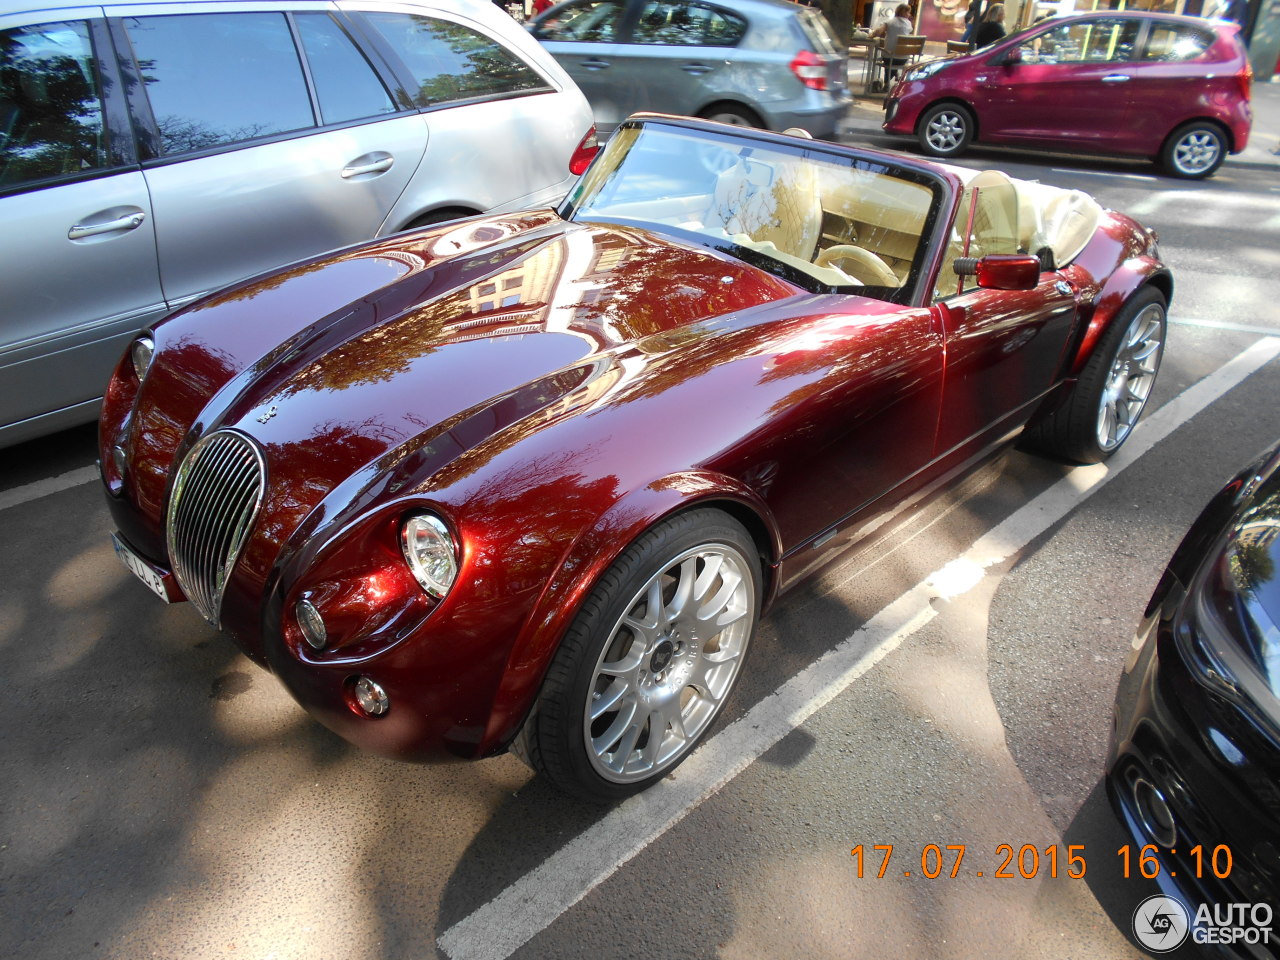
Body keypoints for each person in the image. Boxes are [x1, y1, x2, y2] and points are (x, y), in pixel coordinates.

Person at [870, 4, 914, 89]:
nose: (909, 14)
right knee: (895, 59)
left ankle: (887, 83)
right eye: (909, 12)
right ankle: (893, 76)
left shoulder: (890, 22)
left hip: (889, 57)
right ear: (904, 12)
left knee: (889, 58)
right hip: (904, 58)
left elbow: (878, 32)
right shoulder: (909, 24)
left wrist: (871, 35)